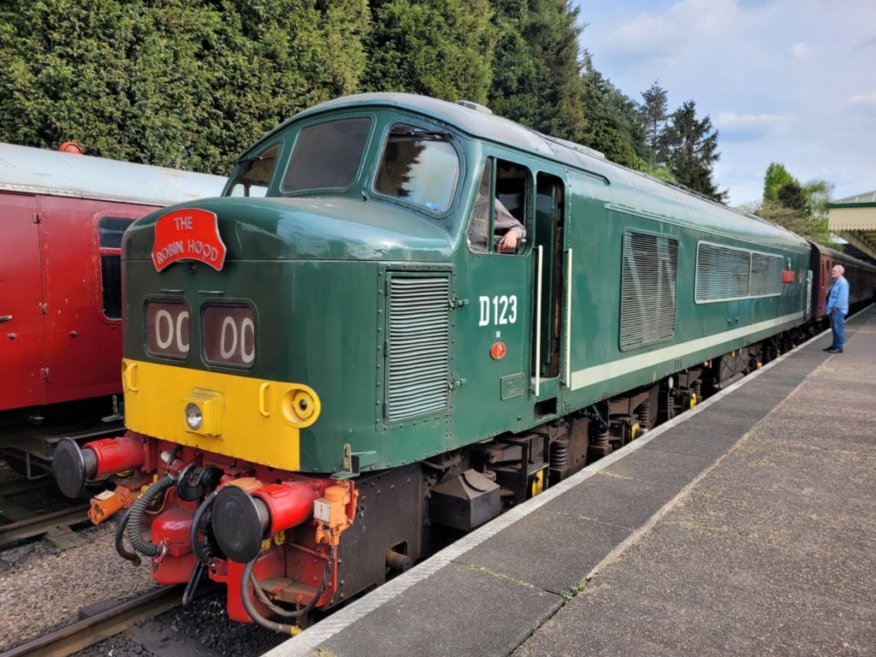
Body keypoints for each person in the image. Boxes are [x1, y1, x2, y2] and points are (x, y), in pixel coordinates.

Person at [467, 167, 526, 253]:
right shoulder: (450, 205)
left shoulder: (490, 204)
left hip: (478, 259)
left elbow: (519, 227)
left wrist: (513, 234)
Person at [823, 264, 849, 353]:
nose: (832, 272)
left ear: (840, 272)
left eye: (834, 271)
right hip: (832, 309)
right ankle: (834, 345)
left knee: (838, 328)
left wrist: (836, 307)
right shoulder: (836, 282)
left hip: (838, 310)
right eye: (832, 270)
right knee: (834, 328)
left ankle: (839, 347)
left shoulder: (842, 283)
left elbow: (842, 297)